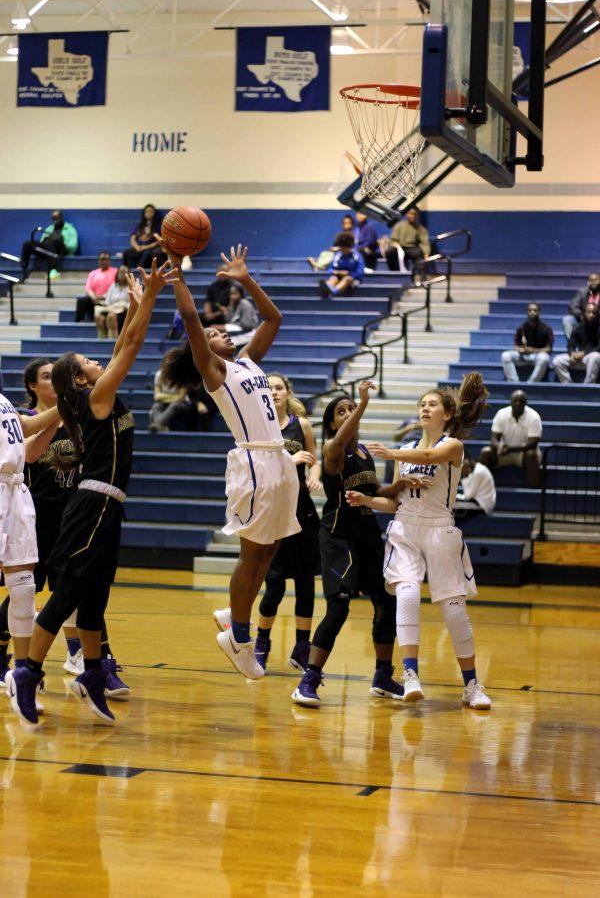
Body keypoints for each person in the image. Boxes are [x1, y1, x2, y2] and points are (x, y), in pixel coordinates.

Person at [6, 259, 178, 728]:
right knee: (67, 593)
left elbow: (125, 342)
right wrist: (155, 297)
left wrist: (139, 300)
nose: (100, 361)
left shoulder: (93, 392)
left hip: (109, 505)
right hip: (93, 503)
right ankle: (27, 671)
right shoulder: (94, 398)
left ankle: (92, 677)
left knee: (95, 600)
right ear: (81, 381)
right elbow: (134, 344)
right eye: (90, 364)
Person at [158, 240, 300, 682]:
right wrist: (178, 279)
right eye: (216, 332)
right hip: (254, 463)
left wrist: (246, 279)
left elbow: (275, 318)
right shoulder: (215, 372)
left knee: (270, 551)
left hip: (278, 460)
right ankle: (239, 638)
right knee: (253, 554)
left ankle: (232, 616)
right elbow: (191, 320)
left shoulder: (249, 362)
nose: (223, 332)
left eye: (223, 331)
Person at [361, 373, 492, 710]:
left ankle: (472, 685)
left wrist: (390, 454)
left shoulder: (452, 446)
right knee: (405, 593)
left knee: (453, 609)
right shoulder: (404, 451)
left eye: (431, 404)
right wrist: (367, 501)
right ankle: (410, 674)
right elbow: (393, 502)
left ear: (446, 414)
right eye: (421, 404)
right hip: (405, 526)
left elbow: (432, 459)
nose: (424, 408)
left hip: (439, 529)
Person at [291, 383, 426, 708]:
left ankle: (382, 675)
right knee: (338, 607)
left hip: (367, 536)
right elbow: (339, 442)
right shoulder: (332, 453)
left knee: (386, 602)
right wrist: (364, 402)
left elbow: (376, 489)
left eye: (352, 408)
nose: (349, 413)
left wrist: (400, 485)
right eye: (342, 411)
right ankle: (308, 679)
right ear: (333, 424)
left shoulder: (364, 453)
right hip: (339, 538)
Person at [0, 357, 129, 696]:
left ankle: (84, 661)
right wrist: (65, 405)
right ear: (34, 385)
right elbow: (27, 451)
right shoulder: (29, 416)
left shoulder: (74, 411)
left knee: (69, 590)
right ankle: (19, 663)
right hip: (38, 513)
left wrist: (69, 406)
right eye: (43, 376)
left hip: (72, 510)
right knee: (30, 589)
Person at [254, 373, 321, 673]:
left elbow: (314, 459)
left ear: (287, 392)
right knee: (275, 587)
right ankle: (261, 643)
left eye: (278, 387)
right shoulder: (258, 429)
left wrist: (315, 474)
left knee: (306, 584)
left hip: (302, 511)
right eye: (267, 387)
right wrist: (288, 462)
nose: (273, 391)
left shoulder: (301, 425)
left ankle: (302, 647)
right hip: (274, 513)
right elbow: (255, 470)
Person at [0, 387, 61, 714]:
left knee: (24, 587)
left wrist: (64, 407)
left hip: (15, 490)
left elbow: (23, 427)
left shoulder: (3, 400)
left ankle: (22, 672)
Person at [479, 389, 542, 487]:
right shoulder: (501, 414)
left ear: (525, 403)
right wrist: (499, 447)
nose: (518, 403)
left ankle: (534, 490)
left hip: (523, 453)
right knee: (486, 452)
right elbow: (494, 438)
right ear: (510, 402)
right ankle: (482, 488)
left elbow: (533, 443)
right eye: (515, 401)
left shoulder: (534, 416)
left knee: (532, 455)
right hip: (504, 452)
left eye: (521, 401)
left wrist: (511, 449)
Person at [20, 210, 78, 283]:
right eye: (53, 218)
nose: (55, 220)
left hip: (62, 249)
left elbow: (73, 246)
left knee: (50, 241)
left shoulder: (70, 229)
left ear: (62, 217)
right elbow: (42, 242)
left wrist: (61, 242)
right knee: (27, 244)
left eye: (57, 217)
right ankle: (24, 269)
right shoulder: (49, 228)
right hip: (48, 249)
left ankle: (53, 270)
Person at [501, 302, 553, 383]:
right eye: (530, 310)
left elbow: (548, 349)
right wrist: (520, 349)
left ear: (539, 312)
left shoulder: (546, 329)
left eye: (535, 310)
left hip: (537, 357)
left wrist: (533, 350)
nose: (532, 312)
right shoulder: (521, 328)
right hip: (523, 356)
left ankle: (531, 383)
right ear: (527, 312)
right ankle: (514, 383)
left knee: (544, 358)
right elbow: (516, 346)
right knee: (505, 355)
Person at [553, 302, 600, 384]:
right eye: (588, 312)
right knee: (557, 360)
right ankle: (569, 385)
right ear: (584, 314)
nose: (591, 315)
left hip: (591, 358)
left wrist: (584, 353)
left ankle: (587, 387)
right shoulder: (578, 328)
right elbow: (570, 345)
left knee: (595, 357)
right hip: (580, 358)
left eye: (594, 313)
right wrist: (572, 354)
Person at [148, 359, 197, 433]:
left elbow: (181, 397)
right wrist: (173, 397)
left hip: (183, 403)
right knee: (156, 406)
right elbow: (157, 396)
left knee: (174, 405)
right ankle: (161, 427)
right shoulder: (159, 374)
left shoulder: (182, 375)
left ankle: (158, 424)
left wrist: (164, 396)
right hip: (166, 402)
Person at [75, 251, 118, 323]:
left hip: (109, 299)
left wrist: (103, 297)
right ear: (98, 261)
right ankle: (79, 322)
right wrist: (94, 298)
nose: (103, 261)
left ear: (109, 260)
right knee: (82, 301)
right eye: (101, 259)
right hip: (95, 300)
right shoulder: (93, 273)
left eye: (106, 259)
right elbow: (88, 289)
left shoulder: (116, 272)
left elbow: (117, 287)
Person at [318, 232, 365, 298]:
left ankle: (333, 292)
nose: (343, 250)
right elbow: (330, 270)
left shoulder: (357, 256)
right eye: (342, 248)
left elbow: (360, 273)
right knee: (333, 278)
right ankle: (327, 288)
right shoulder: (337, 255)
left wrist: (348, 273)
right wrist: (337, 272)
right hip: (338, 277)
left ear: (350, 247)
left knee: (347, 279)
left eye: (345, 248)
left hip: (353, 279)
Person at [384, 207, 430, 272]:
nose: (413, 216)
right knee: (389, 252)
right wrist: (396, 245)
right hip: (400, 248)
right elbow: (393, 240)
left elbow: (425, 243)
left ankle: (421, 278)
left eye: (415, 214)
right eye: (411, 214)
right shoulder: (399, 225)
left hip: (412, 249)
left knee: (419, 254)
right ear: (407, 214)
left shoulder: (420, 228)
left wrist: (426, 254)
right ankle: (394, 272)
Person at [454, 452, 497, 519]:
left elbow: (468, 496)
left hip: (483, 506)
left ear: (466, 460)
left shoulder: (478, 472)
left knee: (453, 511)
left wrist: (465, 476)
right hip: (478, 502)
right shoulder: (476, 470)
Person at [123, 204, 166, 270]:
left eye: (151, 211)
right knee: (127, 252)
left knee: (148, 253)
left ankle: (139, 271)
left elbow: (159, 240)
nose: (148, 213)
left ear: (154, 213)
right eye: (146, 211)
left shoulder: (158, 226)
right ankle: (127, 271)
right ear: (144, 213)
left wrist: (145, 247)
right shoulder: (139, 226)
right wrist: (137, 247)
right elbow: (132, 239)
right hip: (139, 246)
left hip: (151, 247)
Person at [94, 265, 131, 339]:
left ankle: (113, 343)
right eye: (120, 272)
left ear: (129, 274)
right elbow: (107, 302)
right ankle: (102, 342)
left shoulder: (132, 286)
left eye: (124, 272)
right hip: (112, 309)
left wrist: (123, 305)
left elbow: (137, 303)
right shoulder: (113, 286)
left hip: (126, 312)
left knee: (111, 317)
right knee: (99, 318)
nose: (121, 274)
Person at [562, 272, 600, 339]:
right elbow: (573, 307)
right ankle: (573, 344)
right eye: (591, 280)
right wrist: (582, 315)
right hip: (583, 320)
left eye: (596, 280)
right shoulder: (582, 292)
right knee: (567, 320)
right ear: (588, 282)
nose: (593, 282)